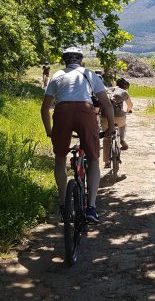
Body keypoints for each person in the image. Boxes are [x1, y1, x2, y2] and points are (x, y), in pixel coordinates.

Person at [41, 47, 115, 224]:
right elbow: (106, 103)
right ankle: (91, 207)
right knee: (94, 160)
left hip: (62, 112)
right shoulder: (90, 74)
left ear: (64, 61)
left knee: (59, 159)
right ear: (80, 60)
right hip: (85, 111)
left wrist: (49, 130)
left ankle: (62, 204)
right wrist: (111, 126)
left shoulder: (57, 76)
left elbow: (44, 108)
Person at [101, 77, 133, 169]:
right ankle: (122, 139)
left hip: (105, 117)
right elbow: (130, 105)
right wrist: (128, 111)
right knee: (122, 125)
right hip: (119, 117)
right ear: (125, 86)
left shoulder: (107, 90)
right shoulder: (124, 92)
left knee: (106, 138)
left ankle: (107, 162)